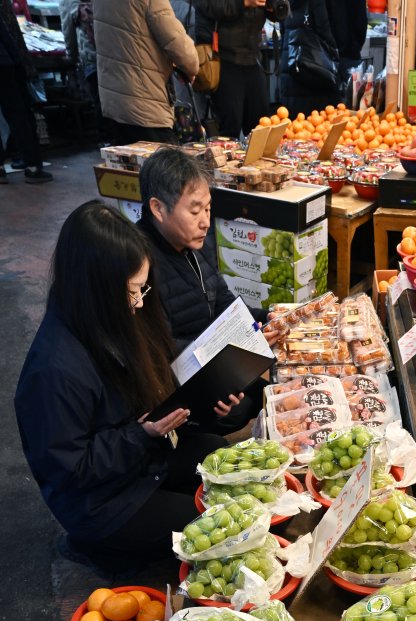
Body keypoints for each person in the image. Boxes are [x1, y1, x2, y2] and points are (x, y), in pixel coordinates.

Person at [15, 202, 242, 564]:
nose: (138, 303)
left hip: (143, 459)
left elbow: (158, 382)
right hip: (102, 500)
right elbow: (70, 469)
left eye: (143, 289)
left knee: (219, 455)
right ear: (95, 289)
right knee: (212, 528)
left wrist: (207, 398)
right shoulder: (53, 370)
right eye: (131, 292)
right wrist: (142, 434)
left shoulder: (116, 316)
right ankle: (95, 548)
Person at [137, 147, 259, 429]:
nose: (205, 221)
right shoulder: (139, 265)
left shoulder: (193, 241)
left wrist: (264, 320)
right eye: (195, 210)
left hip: (211, 361)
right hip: (179, 383)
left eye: (208, 208)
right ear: (158, 209)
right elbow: (160, 351)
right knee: (243, 407)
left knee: (265, 389)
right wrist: (220, 373)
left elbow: (224, 302)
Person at [92, 0, 199, 143]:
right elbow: (177, 43)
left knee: (126, 161)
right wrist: (191, 67)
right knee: (164, 163)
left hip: (114, 101)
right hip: (145, 100)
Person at [194, 0, 270, 138]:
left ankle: (258, 159)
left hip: (254, 59)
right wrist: (244, 3)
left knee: (260, 129)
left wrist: (273, 7)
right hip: (224, 60)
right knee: (228, 130)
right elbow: (209, 6)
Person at [0, 0, 52, 183]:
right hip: (5, 66)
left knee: (16, 117)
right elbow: (7, 36)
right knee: (18, 116)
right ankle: (32, 166)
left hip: (5, 64)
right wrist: (21, 64)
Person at [279, 0, 339, 117]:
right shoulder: (317, 2)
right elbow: (325, 32)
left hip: (290, 67)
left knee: (294, 127)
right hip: (312, 69)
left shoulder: (284, 3)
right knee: (315, 128)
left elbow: (283, 32)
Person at [58, 0, 102, 132]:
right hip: (115, 54)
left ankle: (107, 141)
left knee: (100, 102)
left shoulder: (67, 2)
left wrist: (71, 57)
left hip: (92, 58)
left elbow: (68, 31)